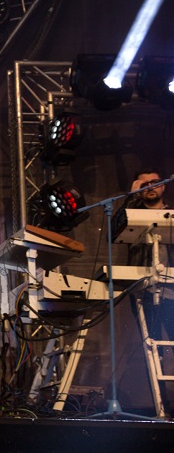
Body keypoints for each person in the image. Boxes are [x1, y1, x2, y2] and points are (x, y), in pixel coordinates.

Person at [126, 168, 173, 413]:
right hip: (144, 291)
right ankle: (161, 406)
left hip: (172, 290)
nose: (150, 187)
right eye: (144, 184)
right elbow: (114, 230)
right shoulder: (131, 213)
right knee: (153, 350)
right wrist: (130, 197)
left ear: (163, 185)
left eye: (155, 182)